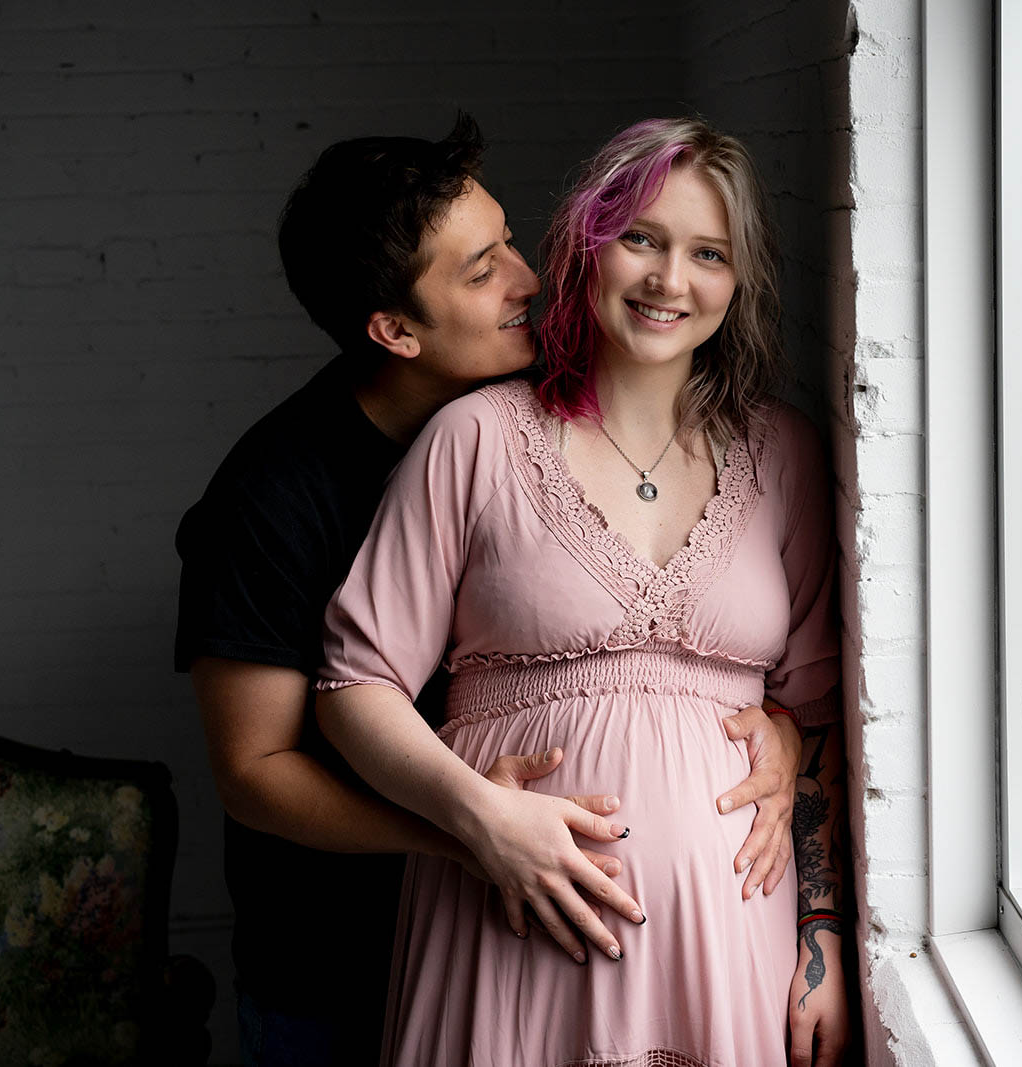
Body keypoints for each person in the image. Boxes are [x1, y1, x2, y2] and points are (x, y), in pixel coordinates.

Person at [173, 115, 805, 1065]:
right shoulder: (275, 496)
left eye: (509, 239)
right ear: (395, 331)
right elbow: (257, 766)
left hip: (662, 946)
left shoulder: (728, 439)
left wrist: (788, 734)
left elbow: (791, 676)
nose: (526, 277)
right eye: (480, 272)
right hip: (340, 952)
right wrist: (472, 829)